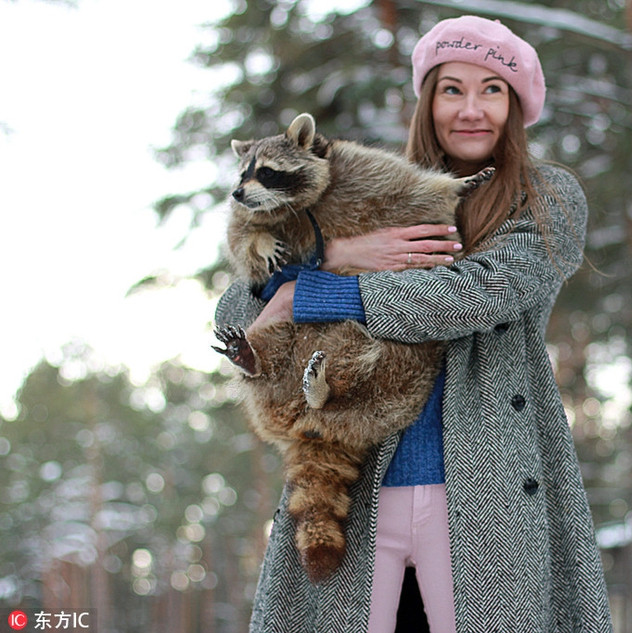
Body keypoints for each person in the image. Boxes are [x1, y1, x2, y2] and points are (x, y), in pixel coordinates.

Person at [240, 14, 612, 633]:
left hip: (488, 487)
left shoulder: (547, 196)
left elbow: (472, 296)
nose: (471, 109)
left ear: (515, 106)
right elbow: (236, 310)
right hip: (358, 481)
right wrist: (335, 253)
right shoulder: (370, 193)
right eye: (452, 89)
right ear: (428, 103)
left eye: (492, 90)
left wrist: (310, 291)